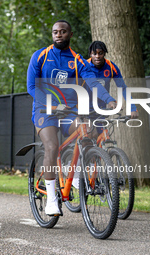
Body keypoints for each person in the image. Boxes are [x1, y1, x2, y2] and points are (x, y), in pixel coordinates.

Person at [27, 20, 117, 216]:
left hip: (69, 112)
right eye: (55, 32)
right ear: (52, 35)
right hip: (45, 111)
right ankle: (52, 199)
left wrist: (109, 100)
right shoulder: (40, 56)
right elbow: (32, 87)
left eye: (63, 31)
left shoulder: (77, 60)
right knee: (51, 147)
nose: (58, 34)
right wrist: (52, 104)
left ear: (70, 34)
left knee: (88, 132)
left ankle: (75, 172)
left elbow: (93, 82)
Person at [87, 41, 139, 119]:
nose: (97, 56)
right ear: (90, 54)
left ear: (104, 53)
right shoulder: (84, 66)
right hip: (85, 106)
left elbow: (123, 88)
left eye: (100, 53)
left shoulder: (111, 67)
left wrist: (132, 108)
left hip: (101, 107)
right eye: (94, 54)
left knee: (102, 130)